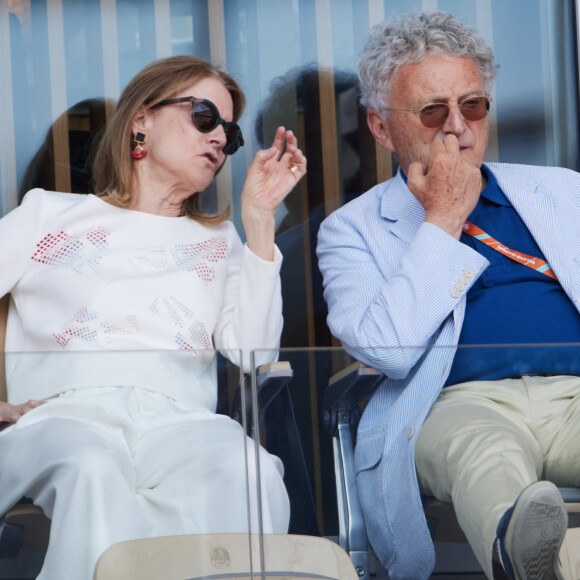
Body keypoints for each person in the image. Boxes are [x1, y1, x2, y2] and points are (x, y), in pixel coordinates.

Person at [0, 54, 306, 579]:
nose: (218, 140)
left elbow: (255, 352)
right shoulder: (49, 214)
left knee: (248, 469)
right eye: (205, 117)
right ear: (141, 118)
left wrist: (258, 222)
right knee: (92, 467)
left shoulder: (220, 241)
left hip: (180, 423)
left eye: (229, 134)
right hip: (67, 417)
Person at [317, 11, 580, 580]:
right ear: (383, 128)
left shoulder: (560, 190)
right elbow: (387, 350)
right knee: (485, 453)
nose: (457, 127)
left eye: (473, 105)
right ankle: (523, 553)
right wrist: (442, 217)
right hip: (457, 404)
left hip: (574, 393)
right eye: (433, 110)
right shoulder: (351, 229)